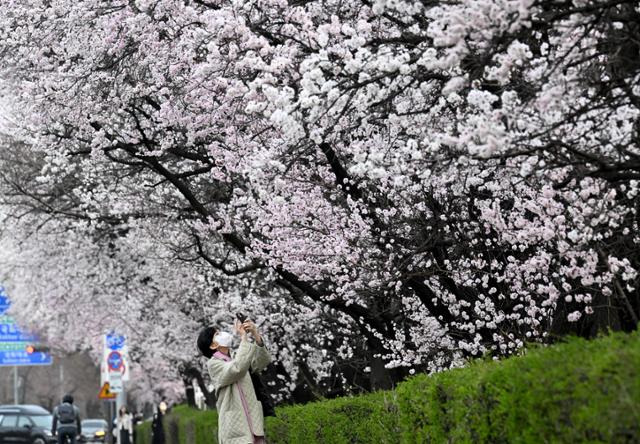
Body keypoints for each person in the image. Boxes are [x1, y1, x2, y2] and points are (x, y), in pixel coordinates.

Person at [197, 319, 271, 444]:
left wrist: (255, 334)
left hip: (253, 422)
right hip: (235, 427)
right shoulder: (213, 365)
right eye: (217, 334)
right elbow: (238, 368)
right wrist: (243, 338)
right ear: (213, 345)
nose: (223, 334)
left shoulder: (238, 354)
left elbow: (261, 362)